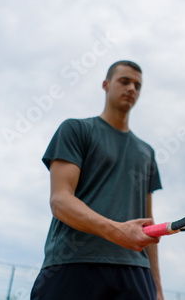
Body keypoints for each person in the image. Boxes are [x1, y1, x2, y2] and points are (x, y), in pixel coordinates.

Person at [31, 60, 163, 300]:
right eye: (124, 81)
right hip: (73, 264)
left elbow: (148, 225)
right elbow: (60, 201)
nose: (132, 88)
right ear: (106, 84)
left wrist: (157, 289)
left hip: (135, 271)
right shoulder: (75, 130)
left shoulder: (147, 152)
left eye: (137, 85)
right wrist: (117, 232)